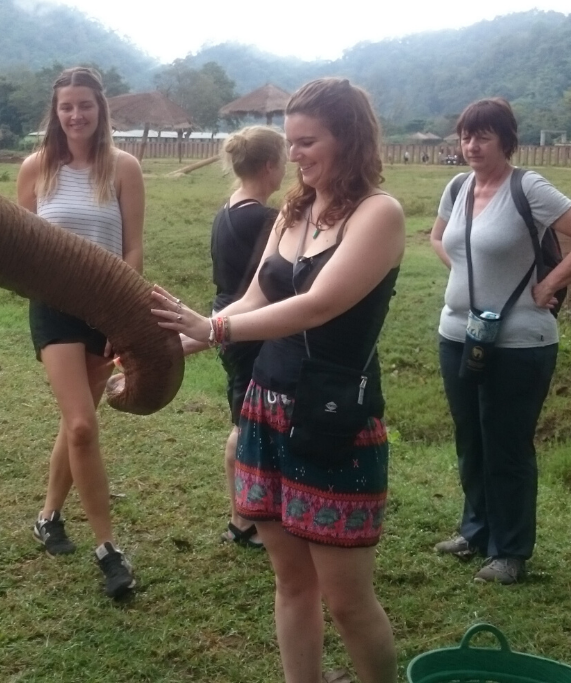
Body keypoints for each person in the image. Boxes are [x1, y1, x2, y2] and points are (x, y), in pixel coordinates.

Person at [153, 77, 406, 683]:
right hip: (265, 409)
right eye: (291, 143)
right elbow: (257, 295)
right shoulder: (294, 209)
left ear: (348, 137)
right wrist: (179, 341)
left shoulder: (380, 214)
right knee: (290, 581)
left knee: (346, 600)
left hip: (333, 418)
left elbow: (319, 304)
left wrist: (213, 332)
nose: (295, 155)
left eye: (308, 141)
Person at [430, 98, 571, 583]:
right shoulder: (458, 187)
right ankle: (476, 531)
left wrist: (550, 286)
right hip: (456, 333)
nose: (472, 145)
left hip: (520, 340)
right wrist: (467, 274)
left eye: (484, 136)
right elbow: (438, 238)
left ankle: (510, 551)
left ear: (506, 140)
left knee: (506, 443)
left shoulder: (527, 187)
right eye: (466, 135)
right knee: (470, 436)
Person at [16, 66, 145, 600]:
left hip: (106, 309)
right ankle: (108, 549)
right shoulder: (36, 168)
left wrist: (124, 315)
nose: (75, 115)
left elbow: (132, 248)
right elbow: (18, 246)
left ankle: (48, 516)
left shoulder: (123, 168)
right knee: (83, 425)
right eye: (66, 106)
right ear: (56, 111)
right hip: (55, 310)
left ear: (101, 110)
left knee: (78, 425)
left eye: (85, 106)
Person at [211, 125, 287, 550]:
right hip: (249, 326)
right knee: (246, 424)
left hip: (227, 322)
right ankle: (243, 518)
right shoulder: (265, 218)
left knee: (241, 417)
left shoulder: (227, 211)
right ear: (270, 166)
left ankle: (243, 514)